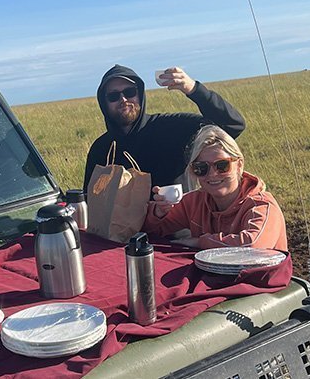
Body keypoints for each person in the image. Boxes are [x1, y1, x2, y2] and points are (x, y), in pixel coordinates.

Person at [83, 64, 245, 191]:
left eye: (130, 92)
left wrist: (194, 89)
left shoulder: (172, 128)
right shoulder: (102, 149)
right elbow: (89, 199)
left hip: (177, 230)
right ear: (103, 103)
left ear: (140, 94)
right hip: (120, 232)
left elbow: (232, 125)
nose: (124, 99)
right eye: (113, 96)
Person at [142, 125, 287, 250]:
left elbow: (252, 246)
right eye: (201, 168)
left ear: (239, 165)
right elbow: (148, 230)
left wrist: (200, 242)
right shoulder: (195, 202)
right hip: (214, 278)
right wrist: (158, 212)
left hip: (257, 280)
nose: (212, 174)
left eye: (222, 165)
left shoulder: (262, 205)